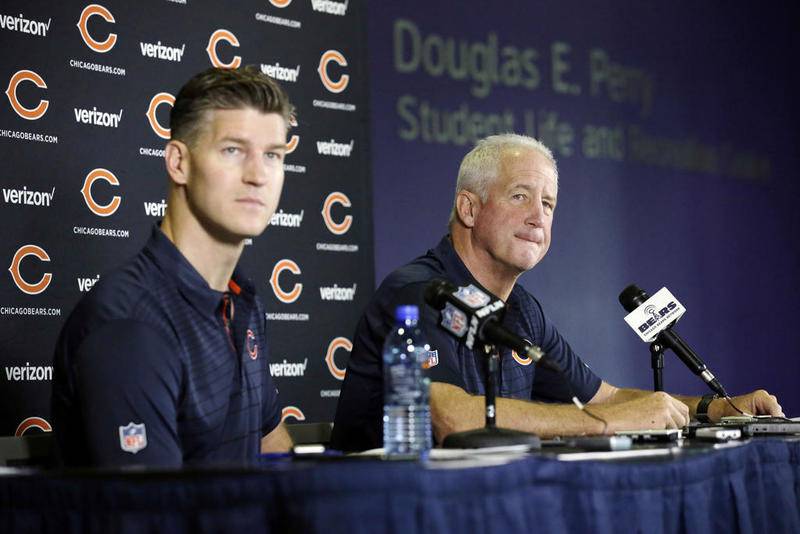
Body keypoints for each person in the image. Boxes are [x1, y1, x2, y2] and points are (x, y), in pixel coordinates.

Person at [331, 133, 783, 451]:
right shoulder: (418, 293)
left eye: (547, 204)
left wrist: (713, 408)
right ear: (469, 208)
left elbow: (603, 397)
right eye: (519, 197)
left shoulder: (522, 309)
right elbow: (452, 419)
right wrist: (607, 425)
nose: (538, 218)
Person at [51, 66, 294, 466]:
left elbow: (272, 444)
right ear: (179, 162)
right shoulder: (130, 324)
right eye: (233, 150)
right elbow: (153, 512)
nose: (257, 175)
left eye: (272, 155)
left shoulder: (241, 301)